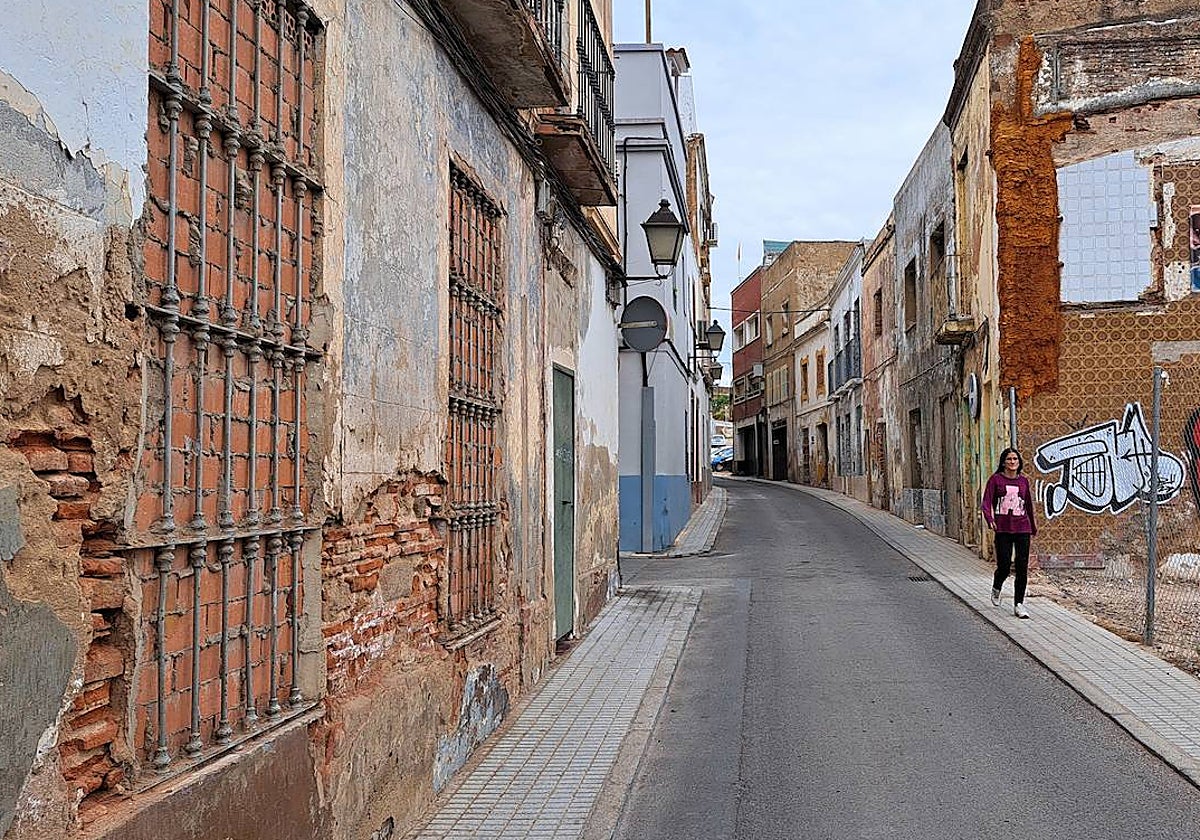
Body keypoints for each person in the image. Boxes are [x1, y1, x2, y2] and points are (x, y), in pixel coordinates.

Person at [982, 447, 1037, 619]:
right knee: (1004, 566)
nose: (1012, 462)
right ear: (1003, 462)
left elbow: (1028, 504)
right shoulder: (995, 480)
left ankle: (1019, 604)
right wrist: (990, 519)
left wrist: (1033, 526)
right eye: (1009, 459)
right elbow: (986, 503)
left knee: (1022, 567)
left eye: (1015, 459)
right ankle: (997, 585)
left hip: (1022, 528)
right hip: (1003, 528)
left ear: (1019, 462)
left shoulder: (1023, 482)